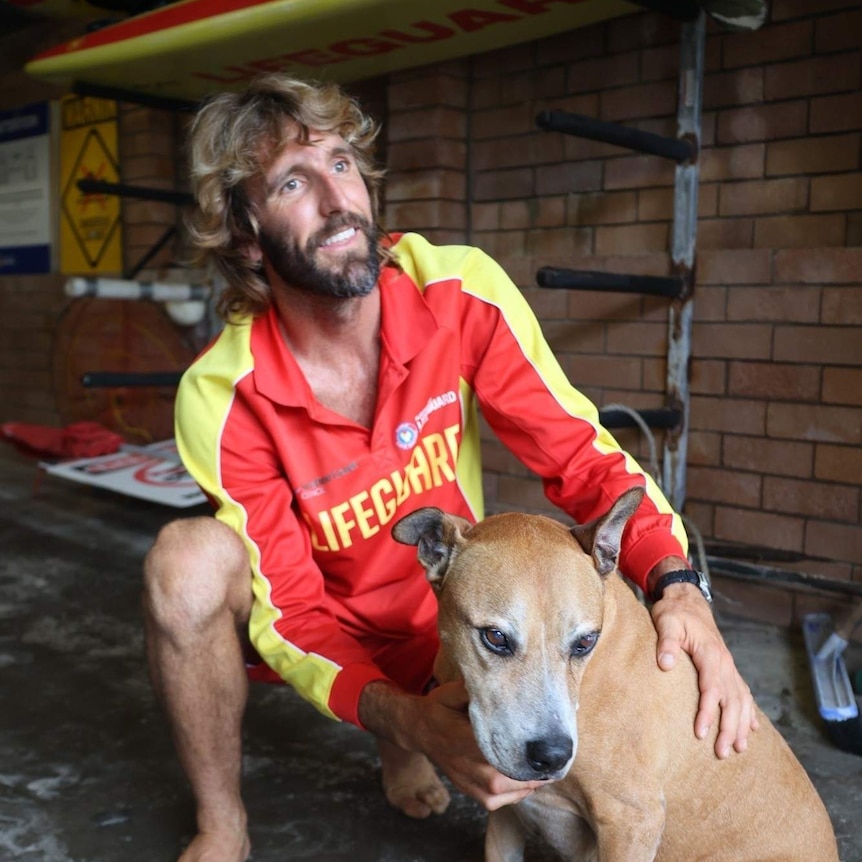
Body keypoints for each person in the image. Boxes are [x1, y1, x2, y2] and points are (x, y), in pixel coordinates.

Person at [142, 74, 757, 862]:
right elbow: (291, 611)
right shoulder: (220, 393)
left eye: (341, 164)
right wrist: (406, 718)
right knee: (184, 565)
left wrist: (679, 588)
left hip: (460, 613)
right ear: (246, 234)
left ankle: (417, 721)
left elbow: (579, 454)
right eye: (294, 182)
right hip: (339, 635)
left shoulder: (455, 287)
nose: (337, 199)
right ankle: (223, 823)